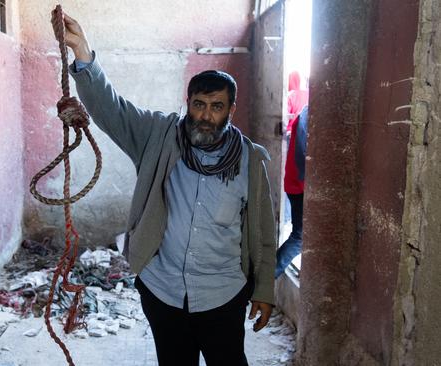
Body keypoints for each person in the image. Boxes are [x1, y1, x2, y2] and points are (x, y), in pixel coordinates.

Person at [55, 12, 276, 366]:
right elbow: (112, 109)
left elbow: (264, 234)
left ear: (231, 110)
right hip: (163, 292)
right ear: (187, 103)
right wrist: (82, 51)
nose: (205, 116)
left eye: (216, 107)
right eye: (199, 105)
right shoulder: (158, 136)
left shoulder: (250, 161)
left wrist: (264, 291)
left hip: (223, 295)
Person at [276, 105, 308, 278]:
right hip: (299, 186)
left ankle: (261, 281)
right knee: (299, 238)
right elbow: (302, 153)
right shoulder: (308, 115)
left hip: (296, 183)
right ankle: (262, 283)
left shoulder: (305, 113)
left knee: (298, 236)